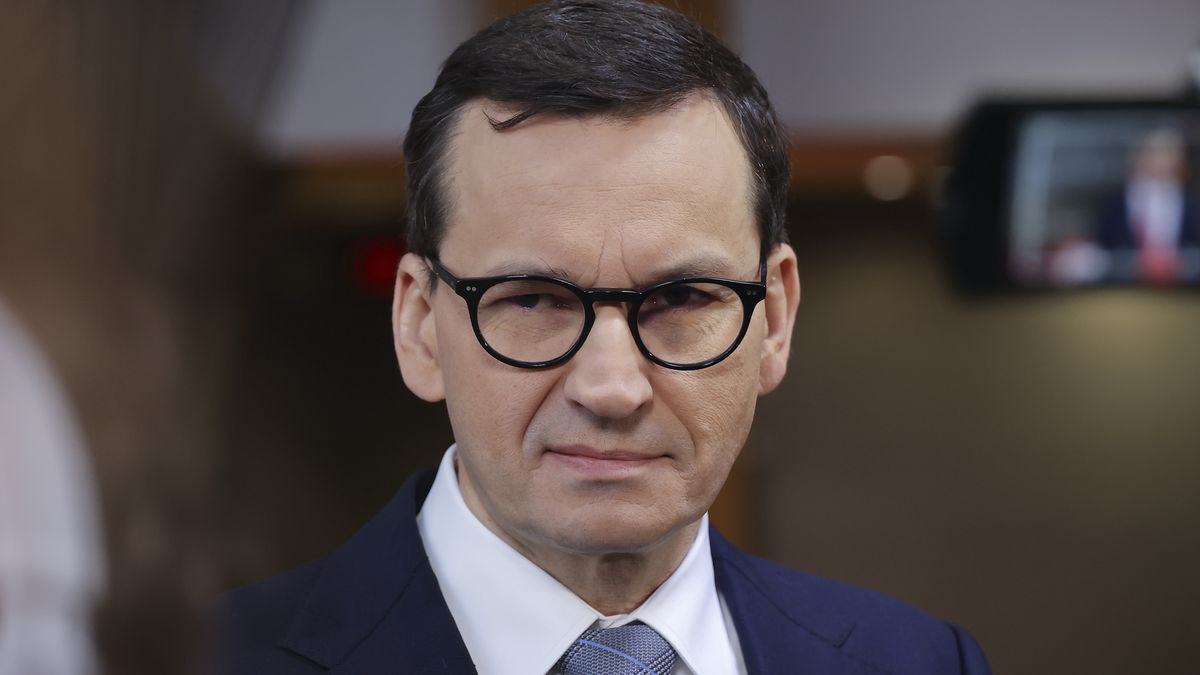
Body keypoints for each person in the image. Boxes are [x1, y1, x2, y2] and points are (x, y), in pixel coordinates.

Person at [218, 2, 991, 673]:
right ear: (419, 322)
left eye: (683, 296)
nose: (613, 386)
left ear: (775, 319)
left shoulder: (916, 661)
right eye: (533, 299)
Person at [1094, 128, 1199, 283]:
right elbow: (1102, 245)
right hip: (1122, 285)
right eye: (1152, 152)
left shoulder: (1191, 202)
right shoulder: (1114, 202)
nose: (1159, 159)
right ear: (1139, 156)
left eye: (1166, 153)